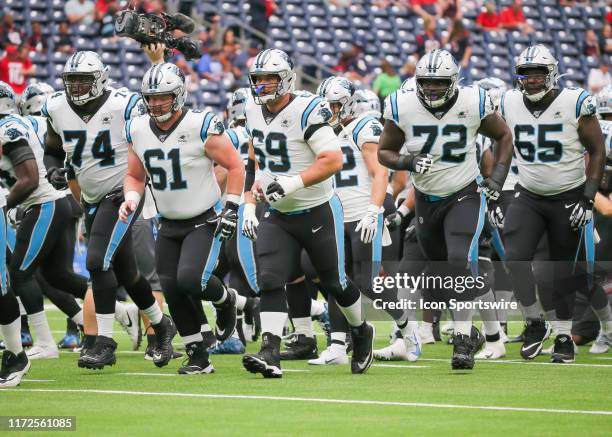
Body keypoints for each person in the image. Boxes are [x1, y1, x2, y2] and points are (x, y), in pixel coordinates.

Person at [240, 49, 375, 378]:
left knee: (335, 283)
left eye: (269, 78)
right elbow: (255, 156)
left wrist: (293, 182)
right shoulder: (251, 109)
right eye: (258, 79)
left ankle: (361, 330)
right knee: (270, 278)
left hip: (318, 209)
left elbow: (333, 159)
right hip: (279, 212)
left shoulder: (307, 109)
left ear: (286, 78)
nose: (262, 85)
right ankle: (270, 352)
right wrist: (247, 201)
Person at [377, 49, 514, 370]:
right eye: (427, 82)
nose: (433, 89)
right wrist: (407, 161)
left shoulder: (473, 101)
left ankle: (464, 339)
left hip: (464, 193)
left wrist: (496, 179)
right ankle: (484, 334)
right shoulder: (403, 103)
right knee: (441, 272)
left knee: (459, 262)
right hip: (426, 198)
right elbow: (385, 151)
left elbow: (504, 135)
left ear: (454, 81)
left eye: (439, 83)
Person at [42, 51, 175, 370]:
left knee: (97, 262)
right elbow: (51, 151)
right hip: (91, 197)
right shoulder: (57, 107)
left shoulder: (123, 104)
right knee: (127, 271)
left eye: (82, 80)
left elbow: (154, 133)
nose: (75, 86)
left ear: (100, 79)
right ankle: (160, 325)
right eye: (71, 80)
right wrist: (53, 171)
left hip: (123, 192)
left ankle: (103, 342)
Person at [120, 62, 242, 374]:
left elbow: (235, 165)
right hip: (168, 221)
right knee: (172, 289)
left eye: (163, 97)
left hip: (204, 217)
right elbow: (134, 175)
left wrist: (232, 206)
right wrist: (131, 198)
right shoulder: (137, 128)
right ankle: (198, 355)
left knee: (191, 278)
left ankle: (226, 299)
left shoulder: (200, 124)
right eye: (151, 97)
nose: (155, 103)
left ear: (179, 94)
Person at [501, 45, 605, 363]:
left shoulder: (574, 101)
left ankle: (563, 336)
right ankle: (535, 323)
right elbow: (500, 142)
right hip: (529, 193)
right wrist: (493, 185)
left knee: (561, 271)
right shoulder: (507, 101)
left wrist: (587, 198)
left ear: (552, 74)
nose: (531, 81)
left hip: (568, 196)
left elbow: (597, 151)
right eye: (526, 75)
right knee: (514, 258)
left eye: (538, 74)